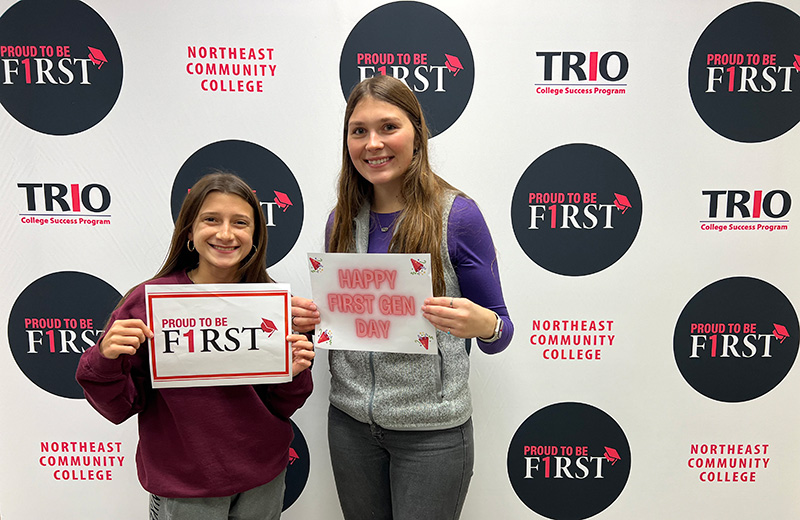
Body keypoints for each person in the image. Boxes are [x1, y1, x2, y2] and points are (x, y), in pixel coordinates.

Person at [292, 75, 514, 520]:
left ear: (417, 133)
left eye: (388, 127)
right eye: (359, 131)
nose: (373, 143)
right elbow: (349, 318)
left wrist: (482, 325)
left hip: (432, 434)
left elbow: (501, 330)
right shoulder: (340, 220)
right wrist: (314, 320)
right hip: (350, 425)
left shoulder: (458, 216)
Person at [76, 172, 314, 520]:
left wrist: (293, 373)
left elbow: (286, 403)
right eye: (211, 220)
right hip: (184, 485)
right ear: (189, 231)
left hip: (262, 478)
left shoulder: (274, 306)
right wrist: (106, 358)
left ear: (255, 236)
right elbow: (119, 407)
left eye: (240, 222)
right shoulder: (148, 303)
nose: (225, 233)